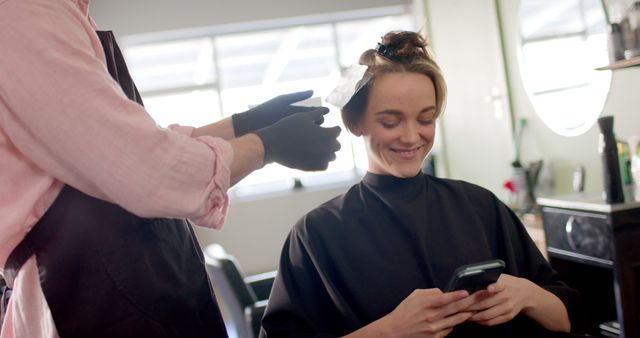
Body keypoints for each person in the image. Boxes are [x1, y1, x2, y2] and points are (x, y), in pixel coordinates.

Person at [0, 0, 341, 337]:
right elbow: (140, 166)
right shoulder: (22, 12)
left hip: (137, 277)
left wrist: (244, 125)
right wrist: (267, 144)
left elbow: (137, 144)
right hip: (86, 290)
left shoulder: (66, 13)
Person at [260, 31, 584, 338]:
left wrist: (529, 296)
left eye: (426, 119)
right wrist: (389, 331)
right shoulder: (317, 234)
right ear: (354, 122)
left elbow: (573, 317)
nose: (412, 136)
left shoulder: (480, 206)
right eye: (391, 121)